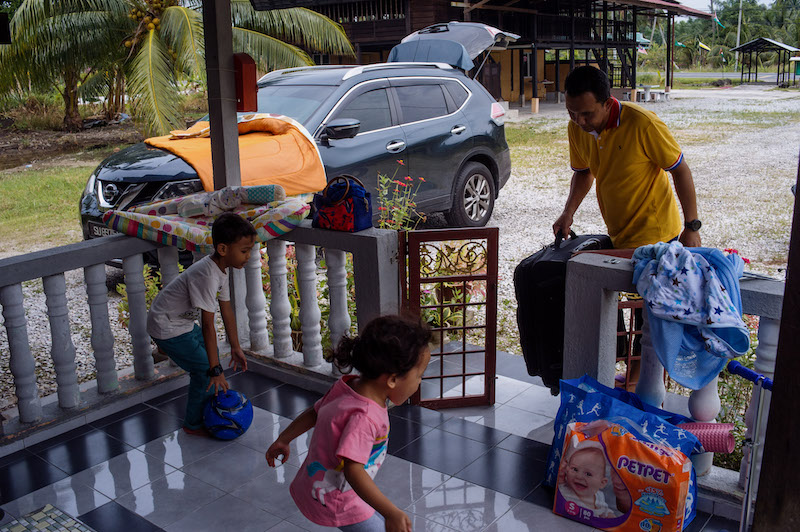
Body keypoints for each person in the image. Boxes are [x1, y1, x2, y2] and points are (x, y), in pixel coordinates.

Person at [265, 315, 432, 532]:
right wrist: (391, 512)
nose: (419, 382)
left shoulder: (348, 386)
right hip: (342, 500)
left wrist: (284, 439)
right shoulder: (366, 416)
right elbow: (354, 472)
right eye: (419, 375)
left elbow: (315, 412)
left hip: (329, 485)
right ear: (392, 379)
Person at [553, 65, 702, 250]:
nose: (579, 121)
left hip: (656, 235)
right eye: (571, 112)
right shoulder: (576, 127)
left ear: (607, 104)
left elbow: (680, 169)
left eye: (587, 114)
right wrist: (568, 212)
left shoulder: (643, 123)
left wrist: (692, 227)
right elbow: (584, 173)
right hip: (618, 235)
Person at [146, 212, 256, 435]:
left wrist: (235, 347)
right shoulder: (207, 275)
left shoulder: (221, 269)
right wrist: (215, 370)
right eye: (244, 251)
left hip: (180, 322)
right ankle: (193, 424)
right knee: (204, 369)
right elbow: (207, 325)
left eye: (250, 251)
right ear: (224, 249)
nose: (248, 256)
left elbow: (226, 311)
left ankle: (207, 401)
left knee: (211, 354)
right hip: (166, 325)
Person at [557, 440, 620, 518]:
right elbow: (559, 483)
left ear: (602, 483)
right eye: (575, 469)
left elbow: (605, 511)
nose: (579, 477)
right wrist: (561, 473)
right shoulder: (566, 490)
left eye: (588, 474)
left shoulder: (599, 496)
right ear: (567, 469)